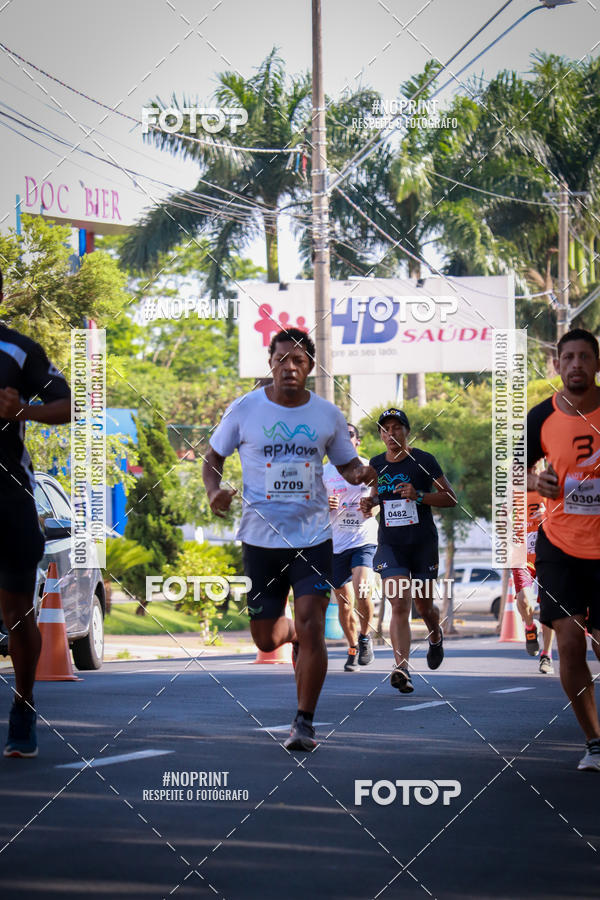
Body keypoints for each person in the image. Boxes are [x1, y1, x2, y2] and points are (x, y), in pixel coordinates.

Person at [203, 328, 377, 752]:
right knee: (265, 638)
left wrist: (372, 473)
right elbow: (213, 457)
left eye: (298, 361)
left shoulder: (328, 415)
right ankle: (295, 635)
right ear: (271, 363)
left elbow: (350, 467)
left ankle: (304, 722)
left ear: (310, 368)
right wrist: (214, 492)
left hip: (314, 537)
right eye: (282, 360)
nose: (290, 368)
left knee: (314, 622)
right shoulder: (245, 409)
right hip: (260, 539)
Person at [0, 269, 71, 757]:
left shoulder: (19, 351)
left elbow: (67, 404)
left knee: (16, 612)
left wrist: (21, 411)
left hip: (7, 498)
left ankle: (24, 708)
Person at [527, 328, 600, 772]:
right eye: (567, 358)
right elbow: (512, 470)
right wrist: (534, 481)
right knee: (570, 644)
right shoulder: (540, 417)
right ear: (556, 365)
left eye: (584, 357)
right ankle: (595, 742)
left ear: (596, 364)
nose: (575, 365)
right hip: (559, 545)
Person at [360, 409, 456, 693]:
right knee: (399, 603)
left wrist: (420, 495)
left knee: (424, 606)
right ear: (380, 435)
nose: (391, 435)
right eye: (385, 430)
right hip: (391, 544)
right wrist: (370, 504)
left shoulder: (424, 460)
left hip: (422, 543)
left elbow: (450, 498)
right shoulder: (377, 464)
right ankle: (401, 668)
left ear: (407, 431)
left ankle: (435, 634)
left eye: (396, 428)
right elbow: (376, 495)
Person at [322, 423, 378, 672]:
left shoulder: (369, 467)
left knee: (362, 589)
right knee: (344, 604)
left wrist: (372, 506)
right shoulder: (323, 472)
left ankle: (366, 637)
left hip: (363, 538)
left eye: (350, 436)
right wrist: (325, 504)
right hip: (335, 544)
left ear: (358, 442)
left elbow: (380, 500)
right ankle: (353, 646)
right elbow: (309, 507)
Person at [512, 490, 554, 674]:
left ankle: (546, 654)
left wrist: (549, 513)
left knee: (548, 606)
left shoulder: (551, 486)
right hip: (521, 555)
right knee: (524, 600)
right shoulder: (510, 491)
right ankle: (530, 625)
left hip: (549, 554)